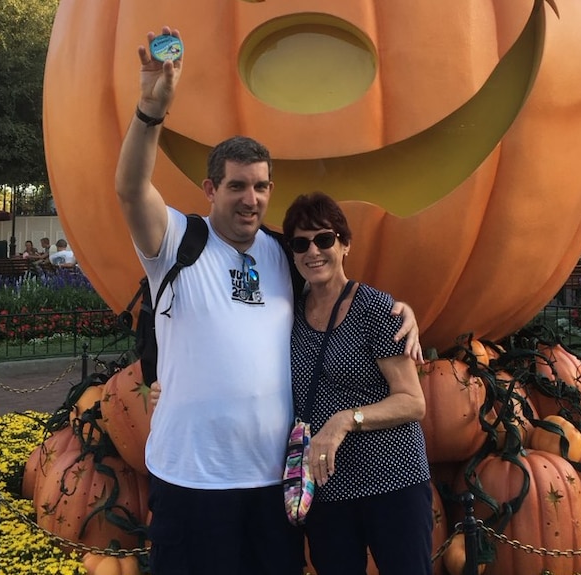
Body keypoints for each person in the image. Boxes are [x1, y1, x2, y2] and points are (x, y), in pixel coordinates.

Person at [116, 27, 420, 575]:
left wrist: (402, 311)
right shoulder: (178, 242)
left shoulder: (283, 254)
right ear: (211, 189)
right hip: (192, 477)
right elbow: (132, 189)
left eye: (259, 186)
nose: (250, 198)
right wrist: (150, 112)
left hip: (271, 482)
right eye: (236, 186)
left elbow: (337, 290)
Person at [283, 192, 432, 575]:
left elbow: (412, 401)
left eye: (324, 239)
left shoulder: (376, 309)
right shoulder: (289, 313)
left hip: (392, 479)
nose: (313, 251)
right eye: (301, 243)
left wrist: (345, 420)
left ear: (345, 244)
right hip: (327, 487)